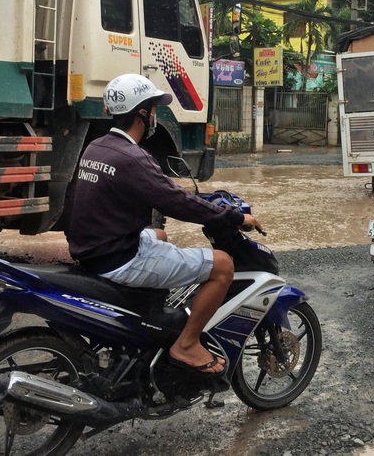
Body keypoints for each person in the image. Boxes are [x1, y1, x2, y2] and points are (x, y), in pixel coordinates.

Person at [67, 74, 262, 375]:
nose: (155, 117)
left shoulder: (97, 147)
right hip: (118, 258)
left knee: (160, 233)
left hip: (93, 247)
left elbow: (163, 193)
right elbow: (176, 202)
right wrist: (236, 218)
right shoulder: (132, 157)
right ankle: (186, 343)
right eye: (154, 109)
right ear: (141, 113)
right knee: (222, 265)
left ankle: (151, 316)